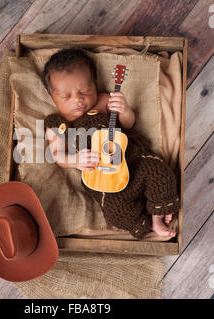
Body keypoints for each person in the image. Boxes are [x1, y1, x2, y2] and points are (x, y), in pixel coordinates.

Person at [42, 48, 179, 239]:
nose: (78, 99)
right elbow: (57, 154)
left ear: (95, 84)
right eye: (66, 97)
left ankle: (157, 216)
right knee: (116, 211)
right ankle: (144, 221)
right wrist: (75, 160)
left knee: (158, 170)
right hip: (104, 178)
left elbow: (128, 124)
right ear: (52, 97)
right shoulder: (57, 123)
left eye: (85, 91)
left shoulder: (104, 100)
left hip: (133, 160)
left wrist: (124, 110)